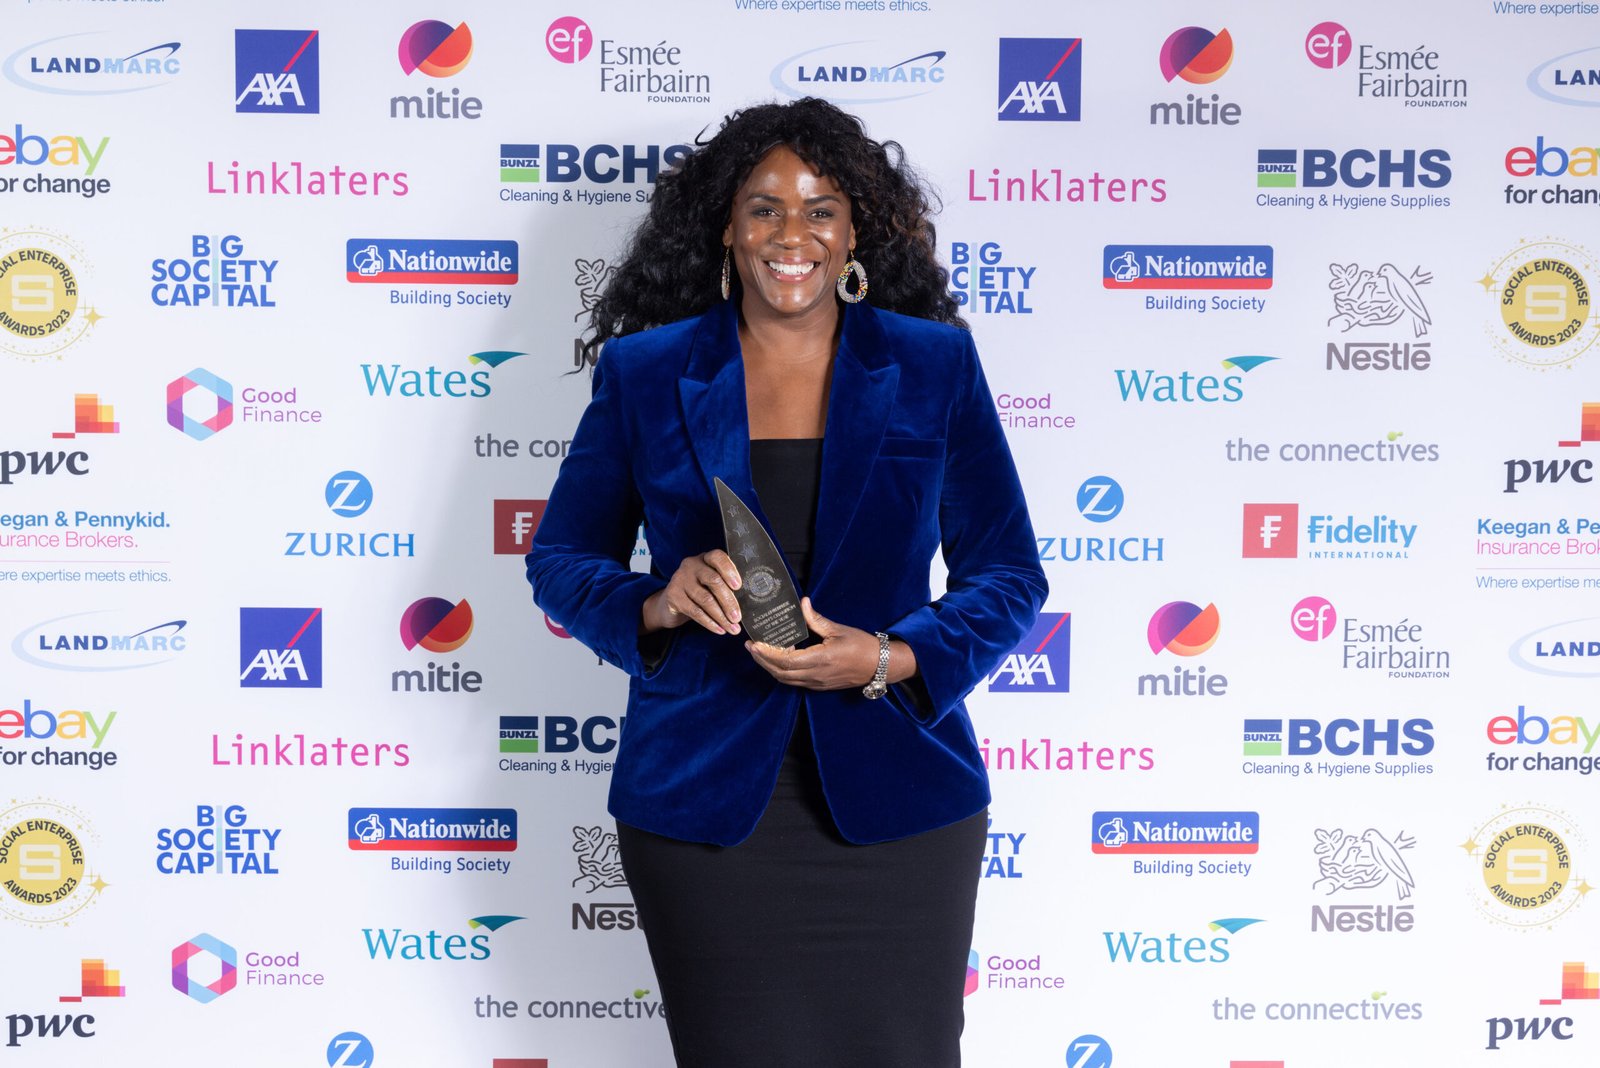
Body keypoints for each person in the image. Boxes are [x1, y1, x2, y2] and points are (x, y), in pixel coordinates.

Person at [525, 97, 1047, 1068]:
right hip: (702, 802)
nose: (791, 233)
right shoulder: (647, 371)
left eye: (820, 208)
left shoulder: (932, 365)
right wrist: (656, 601)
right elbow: (560, 560)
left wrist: (890, 657)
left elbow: (1009, 573)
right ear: (726, 228)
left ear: (854, 232)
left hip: (900, 798)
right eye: (764, 208)